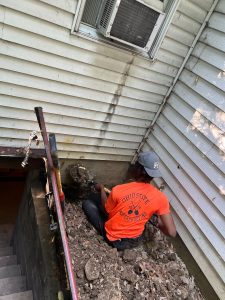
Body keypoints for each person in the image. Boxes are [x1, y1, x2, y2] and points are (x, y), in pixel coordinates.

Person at [82, 151, 176, 250]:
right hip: (135, 240)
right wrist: (156, 222)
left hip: (116, 241)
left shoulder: (119, 189)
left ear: (140, 170)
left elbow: (107, 211)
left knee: (88, 203)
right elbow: (172, 232)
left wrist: (101, 189)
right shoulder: (160, 198)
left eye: (135, 164)